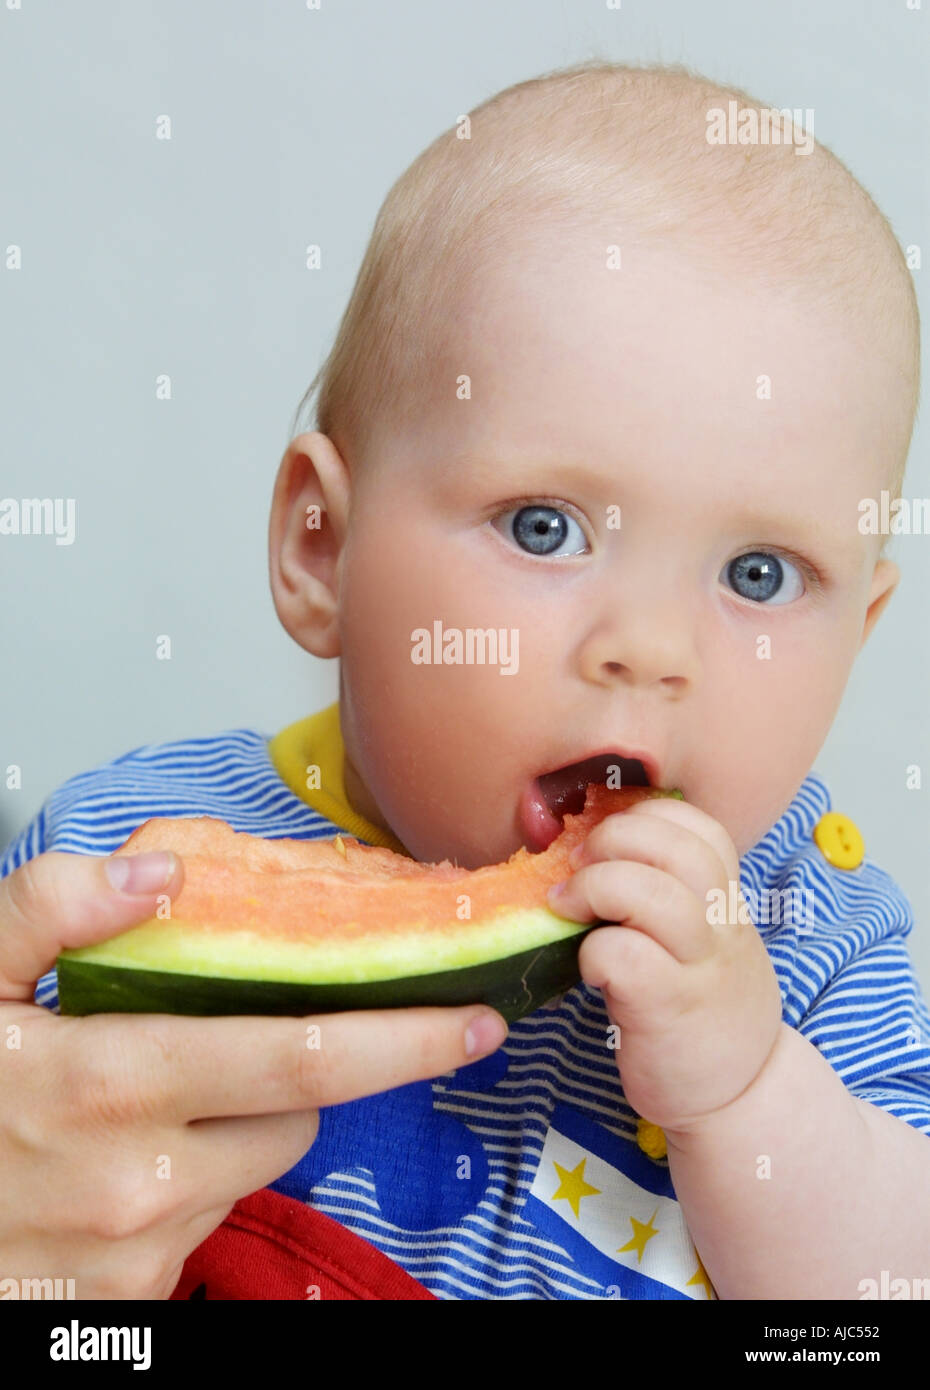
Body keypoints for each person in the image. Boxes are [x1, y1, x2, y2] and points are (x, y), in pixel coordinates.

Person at [2, 59, 929, 1301]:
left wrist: (751, 1091)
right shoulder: (124, 859)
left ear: (860, 630)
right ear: (320, 548)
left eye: (759, 574)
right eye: (545, 527)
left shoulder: (818, 937)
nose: (650, 648)